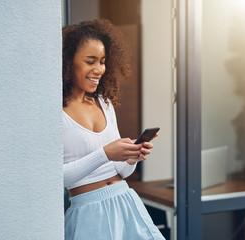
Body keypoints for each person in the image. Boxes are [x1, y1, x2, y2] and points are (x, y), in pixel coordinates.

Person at [62, 19, 165, 240]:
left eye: (102, 61)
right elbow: (57, 178)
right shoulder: (56, 113)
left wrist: (131, 158)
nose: (98, 69)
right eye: (90, 61)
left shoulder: (104, 104)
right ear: (68, 62)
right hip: (87, 213)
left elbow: (122, 173)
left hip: (125, 202)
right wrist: (105, 154)